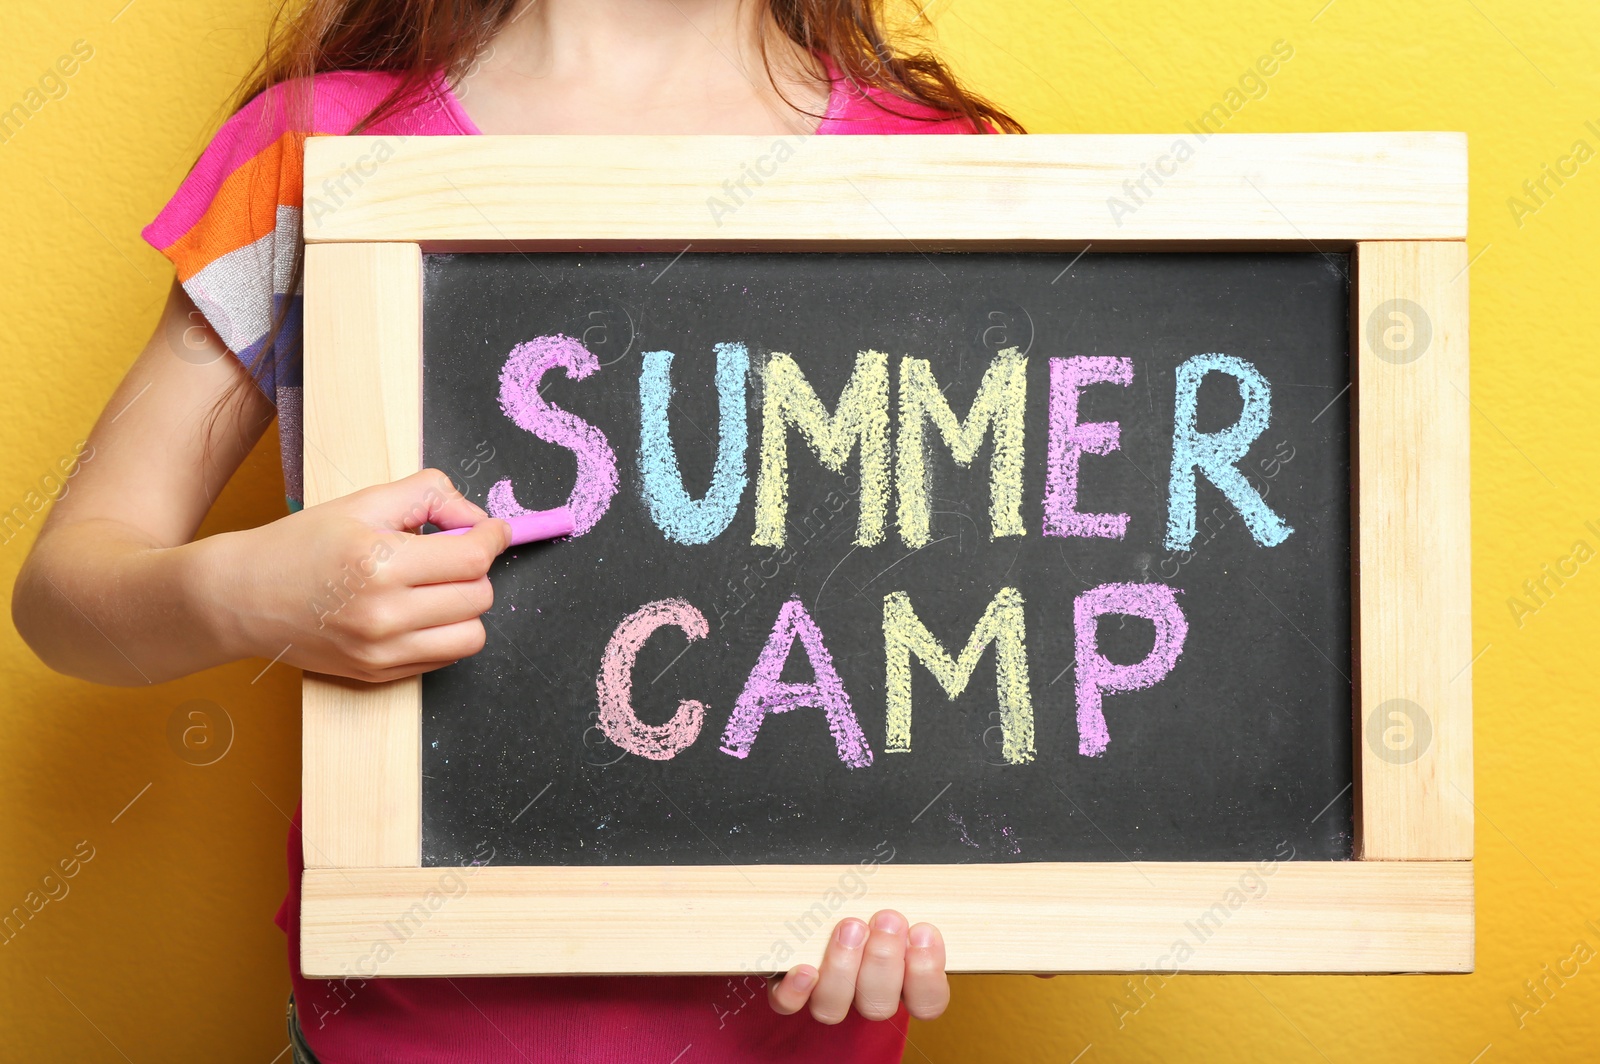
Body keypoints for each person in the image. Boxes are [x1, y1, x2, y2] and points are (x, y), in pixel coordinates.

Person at [13, 1, 1022, 1060]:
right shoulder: (314, 150)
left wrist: (954, 886)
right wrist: (246, 592)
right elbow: (66, 595)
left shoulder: (941, 172)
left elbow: (1050, 733)